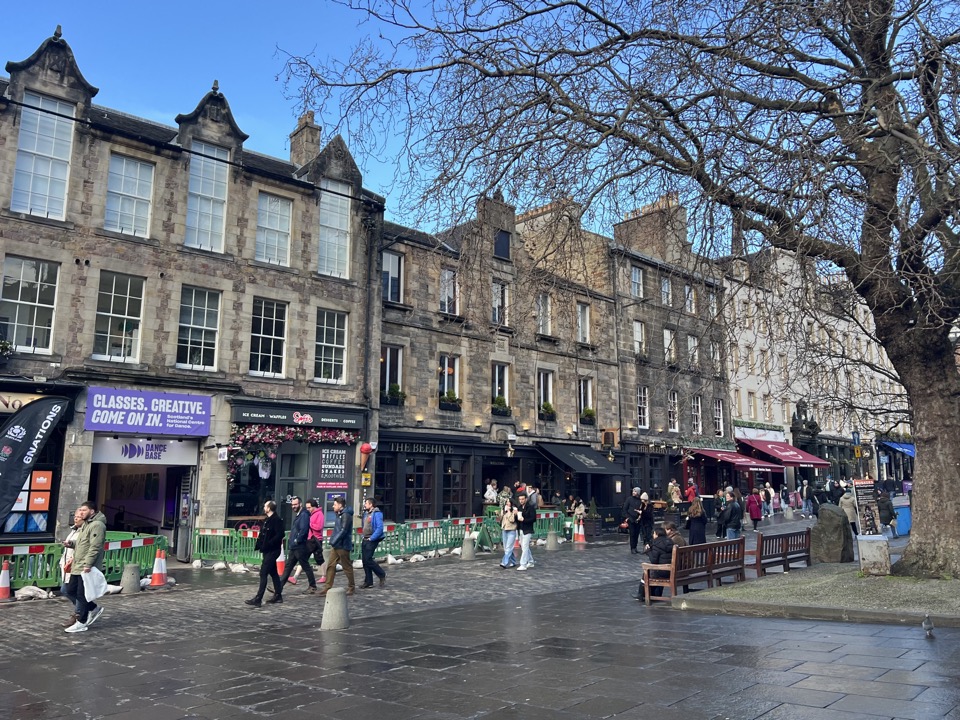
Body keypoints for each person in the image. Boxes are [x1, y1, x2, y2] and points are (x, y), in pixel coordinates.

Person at [63, 501, 107, 633]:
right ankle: (93, 608)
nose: (81, 513)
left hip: (85, 566)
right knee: (70, 590)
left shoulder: (97, 525)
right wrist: (71, 544)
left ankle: (82, 622)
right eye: (80, 510)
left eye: (84, 510)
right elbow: (83, 542)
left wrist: (88, 564)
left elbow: (95, 546)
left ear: (92, 511)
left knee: (81, 594)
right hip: (77, 564)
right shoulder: (86, 524)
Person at [246, 500, 284, 607]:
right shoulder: (267, 519)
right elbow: (263, 534)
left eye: (265, 506)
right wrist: (260, 545)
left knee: (263, 572)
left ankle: (258, 598)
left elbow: (280, 534)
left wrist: (269, 543)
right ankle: (278, 595)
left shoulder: (276, 520)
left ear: (269, 508)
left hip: (273, 550)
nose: (264, 508)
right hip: (267, 550)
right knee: (273, 572)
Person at [277, 496, 317, 596]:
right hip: (295, 546)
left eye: (295, 504)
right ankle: (279, 587)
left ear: (300, 504)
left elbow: (303, 530)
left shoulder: (304, 515)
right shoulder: (299, 515)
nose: (293, 506)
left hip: (299, 546)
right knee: (288, 567)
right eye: (292, 505)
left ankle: (312, 586)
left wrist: (297, 540)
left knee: (305, 566)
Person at [319, 497, 355, 596]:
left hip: (343, 545)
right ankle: (327, 587)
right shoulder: (340, 514)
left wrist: (333, 540)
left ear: (340, 505)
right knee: (331, 565)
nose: (333, 506)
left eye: (335, 504)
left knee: (346, 566)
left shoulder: (346, 515)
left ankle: (351, 587)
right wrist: (334, 541)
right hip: (337, 544)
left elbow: (343, 530)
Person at [634, 525, 675, 599]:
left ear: (657, 534)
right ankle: (656, 594)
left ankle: (641, 594)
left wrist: (648, 551)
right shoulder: (670, 542)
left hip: (663, 572)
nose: (653, 535)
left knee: (647, 572)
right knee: (654, 571)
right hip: (673, 571)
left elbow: (654, 560)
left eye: (653, 534)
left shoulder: (657, 543)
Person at [59, 507, 84, 628]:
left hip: (75, 565)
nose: (76, 519)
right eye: (75, 516)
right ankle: (83, 608)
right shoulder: (73, 530)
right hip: (67, 565)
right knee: (66, 590)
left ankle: (79, 612)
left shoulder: (84, 532)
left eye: (79, 517)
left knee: (70, 590)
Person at [360, 496, 387, 589]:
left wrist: (372, 538)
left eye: (366, 503)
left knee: (368, 559)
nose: (365, 505)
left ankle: (381, 574)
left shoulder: (377, 514)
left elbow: (379, 528)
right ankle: (368, 581)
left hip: (372, 539)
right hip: (365, 538)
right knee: (365, 561)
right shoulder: (366, 514)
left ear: (371, 504)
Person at [305, 498, 327, 583]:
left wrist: (310, 524)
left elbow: (319, 527)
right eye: (307, 508)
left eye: (309, 507)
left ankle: (324, 575)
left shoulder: (319, 514)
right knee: (304, 557)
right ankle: (295, 576)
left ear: (314, 507)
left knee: (319, 558)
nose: (308, 509)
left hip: (316, 539)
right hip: (310, 539)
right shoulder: (311, 514)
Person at [515, 491, 536, 570]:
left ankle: (523, 564)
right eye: (520, 499)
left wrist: (524, 520)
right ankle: (530, 561)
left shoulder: (530, 507)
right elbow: (518, 519)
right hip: (521, 528)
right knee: (524, 546)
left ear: (526, 499)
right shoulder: (519, 507)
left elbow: (533, 519)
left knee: (525, 546)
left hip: (528, 529)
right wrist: (516, 515)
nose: (521, 501)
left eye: (522, 499)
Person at [622, 487, 644, 554]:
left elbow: (643, 508)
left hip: (638, 519)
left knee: (637, 533)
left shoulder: (640, 500)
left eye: (635, 491)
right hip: (631, 519)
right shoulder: (629, 499)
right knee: (632, 533)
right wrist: (627, 517)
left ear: (638, 493)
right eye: (633, 491)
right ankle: (632, 548)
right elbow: (625, 509)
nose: (633, 492)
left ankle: (635, 547)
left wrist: (640, 514)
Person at [499, 498, 519, 568]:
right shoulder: (504, 510)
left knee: (509, 547)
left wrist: (508, 511)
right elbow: (500, 519)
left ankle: (504, 562)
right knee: (506, 548)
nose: (507, 503)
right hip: (504, 529)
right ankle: (513, 561)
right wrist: (502, 512)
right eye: (506, 502)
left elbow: (512, 519)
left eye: (508, 502)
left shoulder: (514, 510)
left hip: (511, 530)